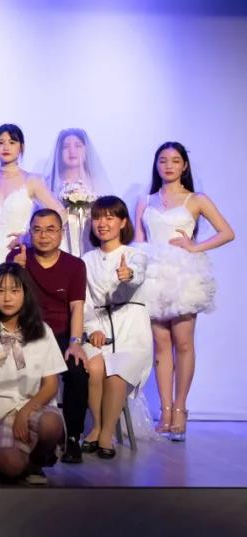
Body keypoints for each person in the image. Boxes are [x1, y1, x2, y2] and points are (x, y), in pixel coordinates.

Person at [136, 142, 235, 440]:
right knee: (160, 345)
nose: (168, 165)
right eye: (163, 160)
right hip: (153, 274)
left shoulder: (196, 199)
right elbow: (139, 241)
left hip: (183, 275)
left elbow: (227, 232)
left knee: (183, 343)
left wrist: (195, 246)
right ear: (156, 165)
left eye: (175, 160)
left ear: (184, 166)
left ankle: (180, 408)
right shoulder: (145, 201)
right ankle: (165, 411)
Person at [0, 264, 66, 485]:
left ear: (25, 293)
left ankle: (36, 463)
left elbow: (51, 385)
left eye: (14, 291)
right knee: (11, 466)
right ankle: (6, 459)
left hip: (34, 405)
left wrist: (25, 412)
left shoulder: (42, 330)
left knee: (51, 423)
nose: (7, 298)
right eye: (0, 291)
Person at [6, 209, 88, 462]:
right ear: (30, 233)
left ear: (61, 233)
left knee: (77, 371)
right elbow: (7, 299)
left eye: (50, 230)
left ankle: (72, 438)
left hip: (61, 333)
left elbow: (76, 307)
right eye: (37, 230)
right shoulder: (19, 257)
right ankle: (14, 431)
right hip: (27, 332)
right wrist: (16, 269)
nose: (43, 236)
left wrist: (75, 343)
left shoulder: (75, 265)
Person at [80, 196, 153, 458]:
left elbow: (137, 275)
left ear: (123, 222)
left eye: (110, 218)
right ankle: (97, 426)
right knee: (94, 367)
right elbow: (84, 300)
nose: (103, 223)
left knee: (117, 373)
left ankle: (106, 434)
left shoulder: (135, 255)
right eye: (98, 218)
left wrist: (128, 275)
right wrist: (91, 329)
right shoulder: (86, 259)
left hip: (131, 330)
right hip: (98, 328)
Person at [0, 124, 65, 262]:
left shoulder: (32, 180)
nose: (6, 147)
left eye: (12, 142)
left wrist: (29, 236)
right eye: (1, 143)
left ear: (22, 147)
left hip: (18, 254)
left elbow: (60, 213)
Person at [44, 128, 111, 256]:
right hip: (61, 242)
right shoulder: (49, 183)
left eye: (78, 146)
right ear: (59, 152)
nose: (72, 151)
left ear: (86, 150)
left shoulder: (96, 182)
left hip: (90, 240)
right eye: (66, 147)